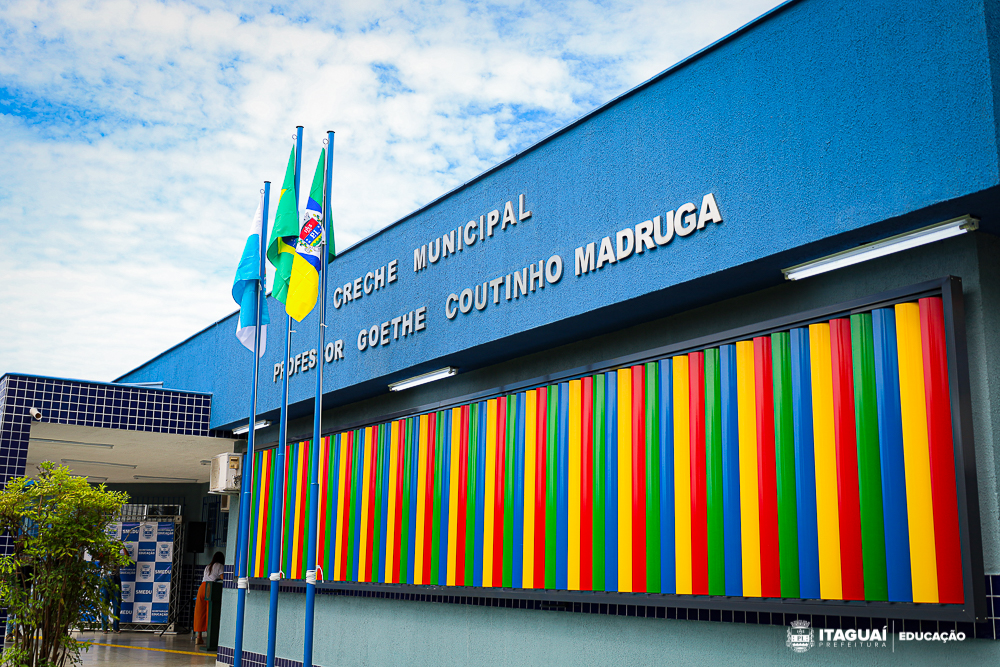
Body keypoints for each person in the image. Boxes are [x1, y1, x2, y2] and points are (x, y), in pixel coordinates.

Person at [193, 552, 224, 645]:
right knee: (210, 612)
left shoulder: (208, 566)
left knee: (200, 612)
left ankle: (199, 637)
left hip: (202, 587)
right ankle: (210, 638)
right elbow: (223, 578)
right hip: (210, 588)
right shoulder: (220, 566)